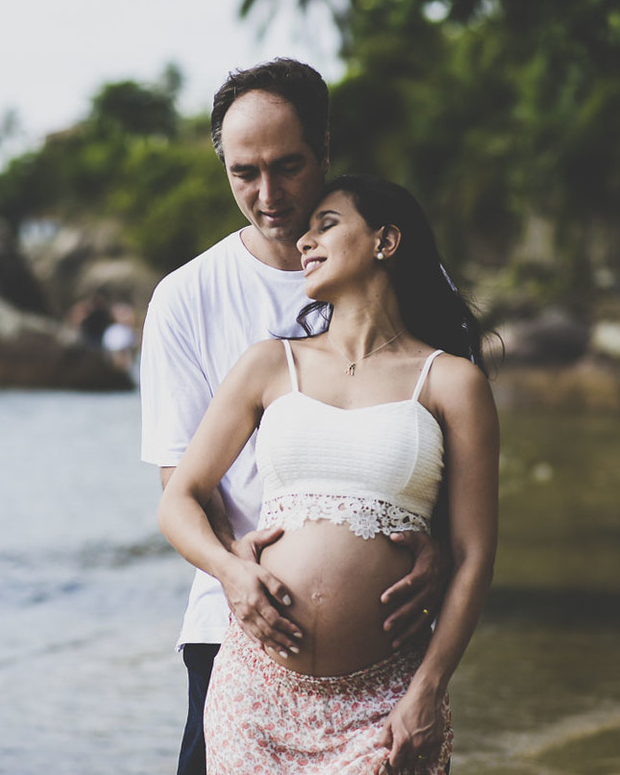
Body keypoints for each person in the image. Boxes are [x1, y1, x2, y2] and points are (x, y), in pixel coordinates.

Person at [140, 61, 445, 775]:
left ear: (326, 150)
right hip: (233, 637)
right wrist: (232, 574)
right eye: (244, 173)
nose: (267, 195)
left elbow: (457, 460)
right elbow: (178, 487)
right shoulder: (187, 298)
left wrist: (443, 551)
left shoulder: (409, 281)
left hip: (390, 653)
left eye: (288, 166)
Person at [158, 174, 499, 773]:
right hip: (253, 696)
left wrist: (429, 689)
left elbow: (474, 554)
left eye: (327, 225)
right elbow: (179, 497)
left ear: (385, 241)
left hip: (387, 702)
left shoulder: (451, 381)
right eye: (306, 230)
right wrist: (231, 572)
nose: (305, 243)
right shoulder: (269, 362)